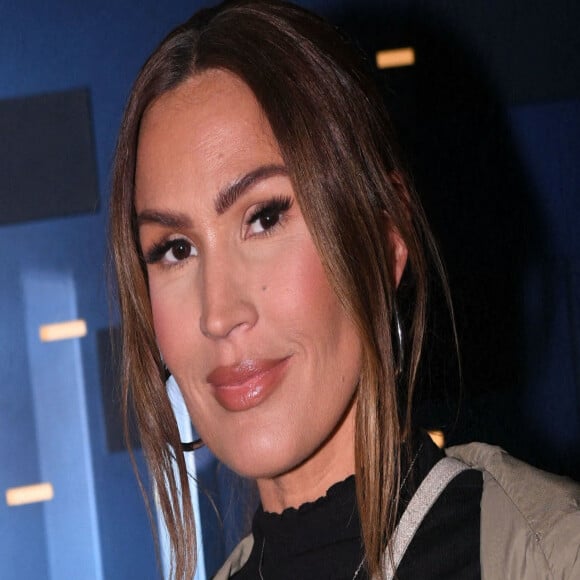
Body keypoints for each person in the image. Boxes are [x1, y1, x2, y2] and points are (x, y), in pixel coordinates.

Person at [110, 1, 580, 578]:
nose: (218, 313)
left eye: (263, 217)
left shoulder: (551, 554)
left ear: (386, 241)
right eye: (175, 249)